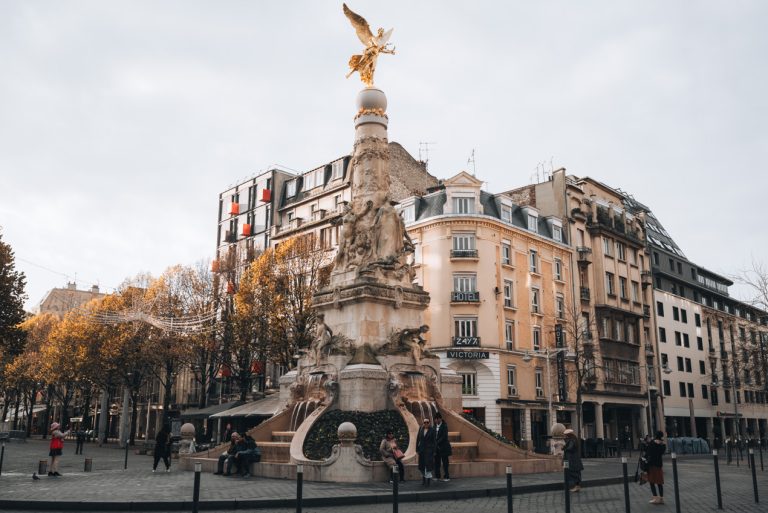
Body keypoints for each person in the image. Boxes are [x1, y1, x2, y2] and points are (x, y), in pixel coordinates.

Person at [646, 431, 667, 505]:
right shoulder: (662, 445)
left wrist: (649, 441)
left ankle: (655, 498)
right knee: (659, 482)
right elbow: (662, 451)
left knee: (652, 482)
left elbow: (647, 452)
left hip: (651, 465)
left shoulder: (651, 443)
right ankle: (661, 498)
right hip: (659, 465)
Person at [416, 418, 436, 486]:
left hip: (429, 451)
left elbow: (434, 441)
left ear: (429, 423)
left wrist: (434, 451)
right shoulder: (421, 429)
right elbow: (418, 439)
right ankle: (423, 480)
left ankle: (428, 481)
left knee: (428, 466)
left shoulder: (432, 430)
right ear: (423, 423)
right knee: (422, 466)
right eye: (425, 422)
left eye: (427, 422)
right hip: (421, 450)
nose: (426, 424)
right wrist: (417, 449)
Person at [433, 413, 452, 482]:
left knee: (445, 463)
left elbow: (444, 437)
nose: (436, 421)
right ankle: (437, 476)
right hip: (437, 448)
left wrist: (436, 442)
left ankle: (446, 476)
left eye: (437, 419)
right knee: (436, 462)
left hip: (444, 447)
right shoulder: (434, 426)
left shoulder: (444, 426)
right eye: (435, 420)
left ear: (440, 419)